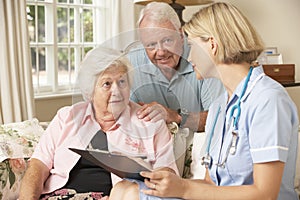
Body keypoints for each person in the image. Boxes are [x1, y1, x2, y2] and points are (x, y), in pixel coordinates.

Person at [110, 2, 299, 199]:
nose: (189, 56)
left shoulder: (268, 99)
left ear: (212, 45)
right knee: (123, 188)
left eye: (191, 45)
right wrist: (173, 183)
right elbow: (211, 184)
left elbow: (265, 194)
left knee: (131, 194)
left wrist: (183, 188)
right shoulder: (220, 106)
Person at [18, 46, 178, 199]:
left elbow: (169, 176)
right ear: (90, 92)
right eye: (107, 84)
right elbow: (38, 165)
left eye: (122, 82)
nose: (116, 91)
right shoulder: (67, 117)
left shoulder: (150, 123)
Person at [127, 2, 224, 133]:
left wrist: (176, 116)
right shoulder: (130, 62)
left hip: (198, 146)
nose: (161, 52)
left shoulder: (204, 57)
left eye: (167, 40)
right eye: (151, 44)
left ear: (180, 35)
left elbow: (219, 118)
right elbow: (123, 115)